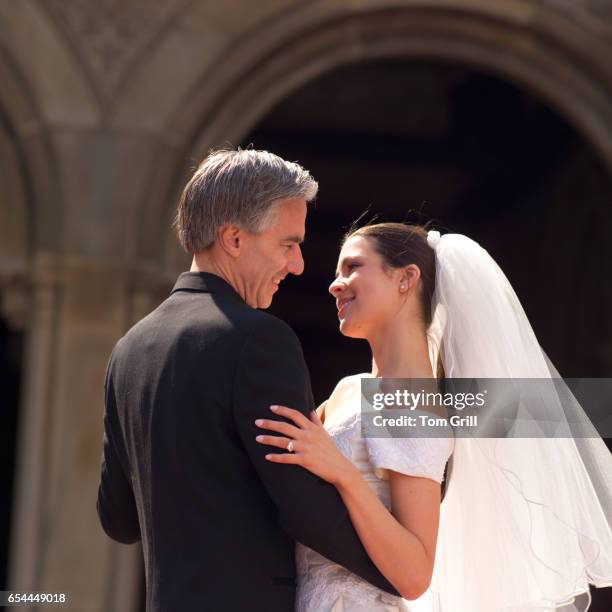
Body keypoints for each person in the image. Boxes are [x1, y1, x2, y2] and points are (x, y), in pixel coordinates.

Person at [96, 149, 398, 612]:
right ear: (233, 239)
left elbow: (118, 519)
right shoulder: (259, 341)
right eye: (287, 244)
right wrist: (400, 573)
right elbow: (301, 506)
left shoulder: (129, 350)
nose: (298, 264)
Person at [256, 223, 612, 611]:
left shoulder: (411, 402)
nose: (335, 285)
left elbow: (414, 574)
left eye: (353, 267)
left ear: (407, 278)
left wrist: (341, 473)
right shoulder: (349, 389)